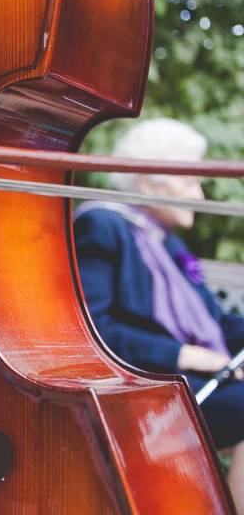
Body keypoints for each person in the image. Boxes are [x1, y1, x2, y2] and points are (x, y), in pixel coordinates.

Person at [74, 118, 244, 508]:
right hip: (150, 392)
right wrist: (189, 355)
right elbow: (93, 330)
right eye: (190, 182)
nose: (199, 197)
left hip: (194, 385)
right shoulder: (103, 225)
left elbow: (219, 324)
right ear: (149, 181)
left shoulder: (166, 244)